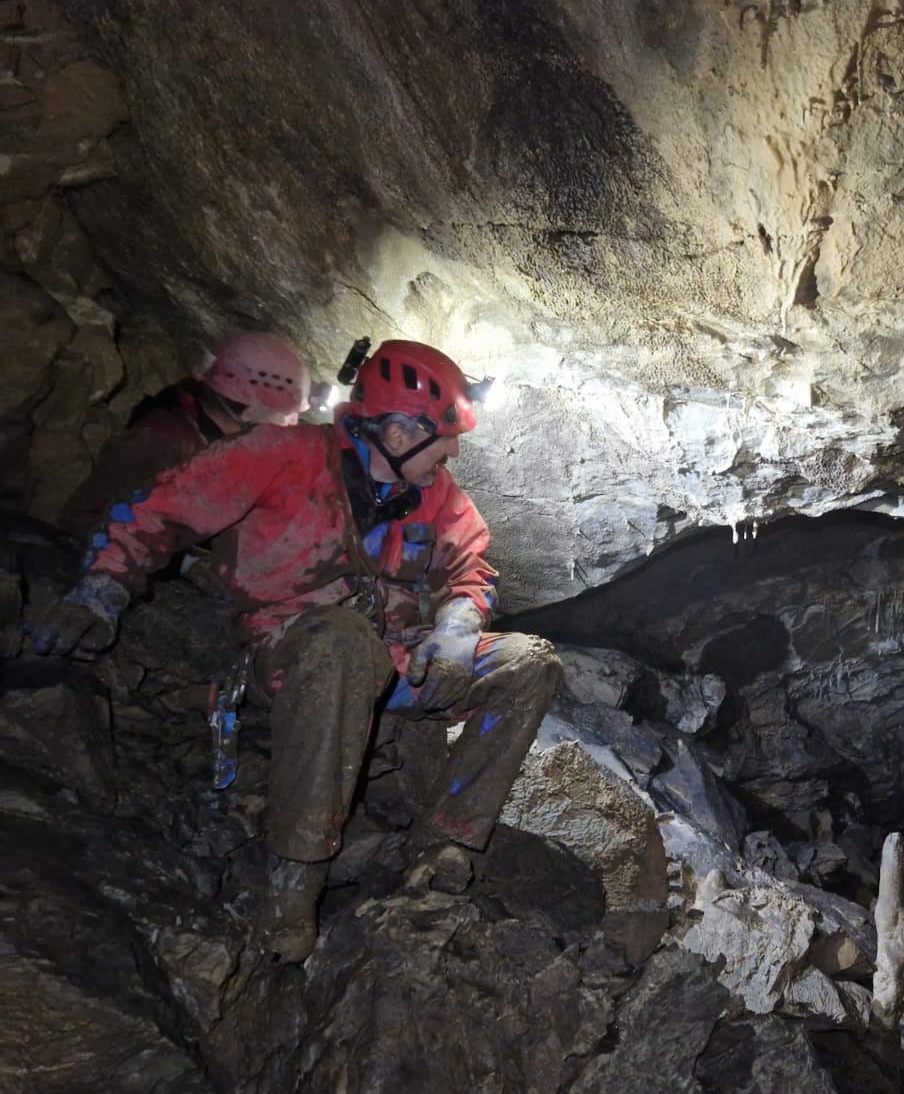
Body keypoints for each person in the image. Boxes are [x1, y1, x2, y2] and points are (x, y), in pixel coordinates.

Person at [31, 338, 564, 963]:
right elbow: (158, 510)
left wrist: (454, 637)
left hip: (391, 657)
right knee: (340, 640)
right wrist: (100, 591)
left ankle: (447, 842)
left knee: (530, 662)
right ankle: (293, 880)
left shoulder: (436, 495)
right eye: (445, 439)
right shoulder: (280, 455)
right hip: (289, 654)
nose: (453, 453)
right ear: (397, 432)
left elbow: (471, 573)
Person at [58, 332, 313, 537]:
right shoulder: (160, 443)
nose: (292, 424)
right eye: (286, 414)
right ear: (249, 411)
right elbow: (80, 519)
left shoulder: (216, 436)